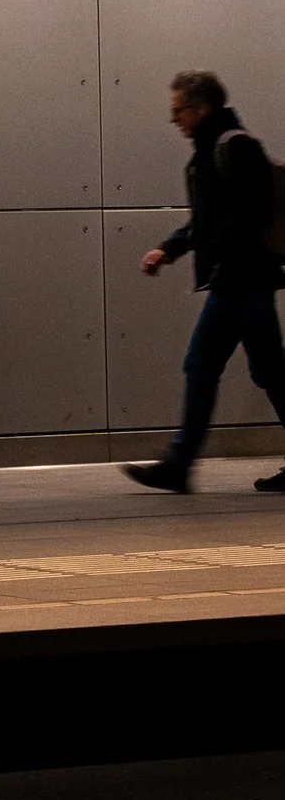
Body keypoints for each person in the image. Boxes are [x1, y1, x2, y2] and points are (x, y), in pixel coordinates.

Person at [125, 71, 285, 495]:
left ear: (202, 108)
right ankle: (178, 464)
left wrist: (214, 245)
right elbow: (205, 221)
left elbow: (255, 210)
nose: (174, 119)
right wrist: (169, 249)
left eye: (178, 110)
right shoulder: (204, 155)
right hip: (237, 278)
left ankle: (179, 464)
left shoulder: (235, 145)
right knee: (270, 370)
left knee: (202, 364)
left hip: (242, 278)